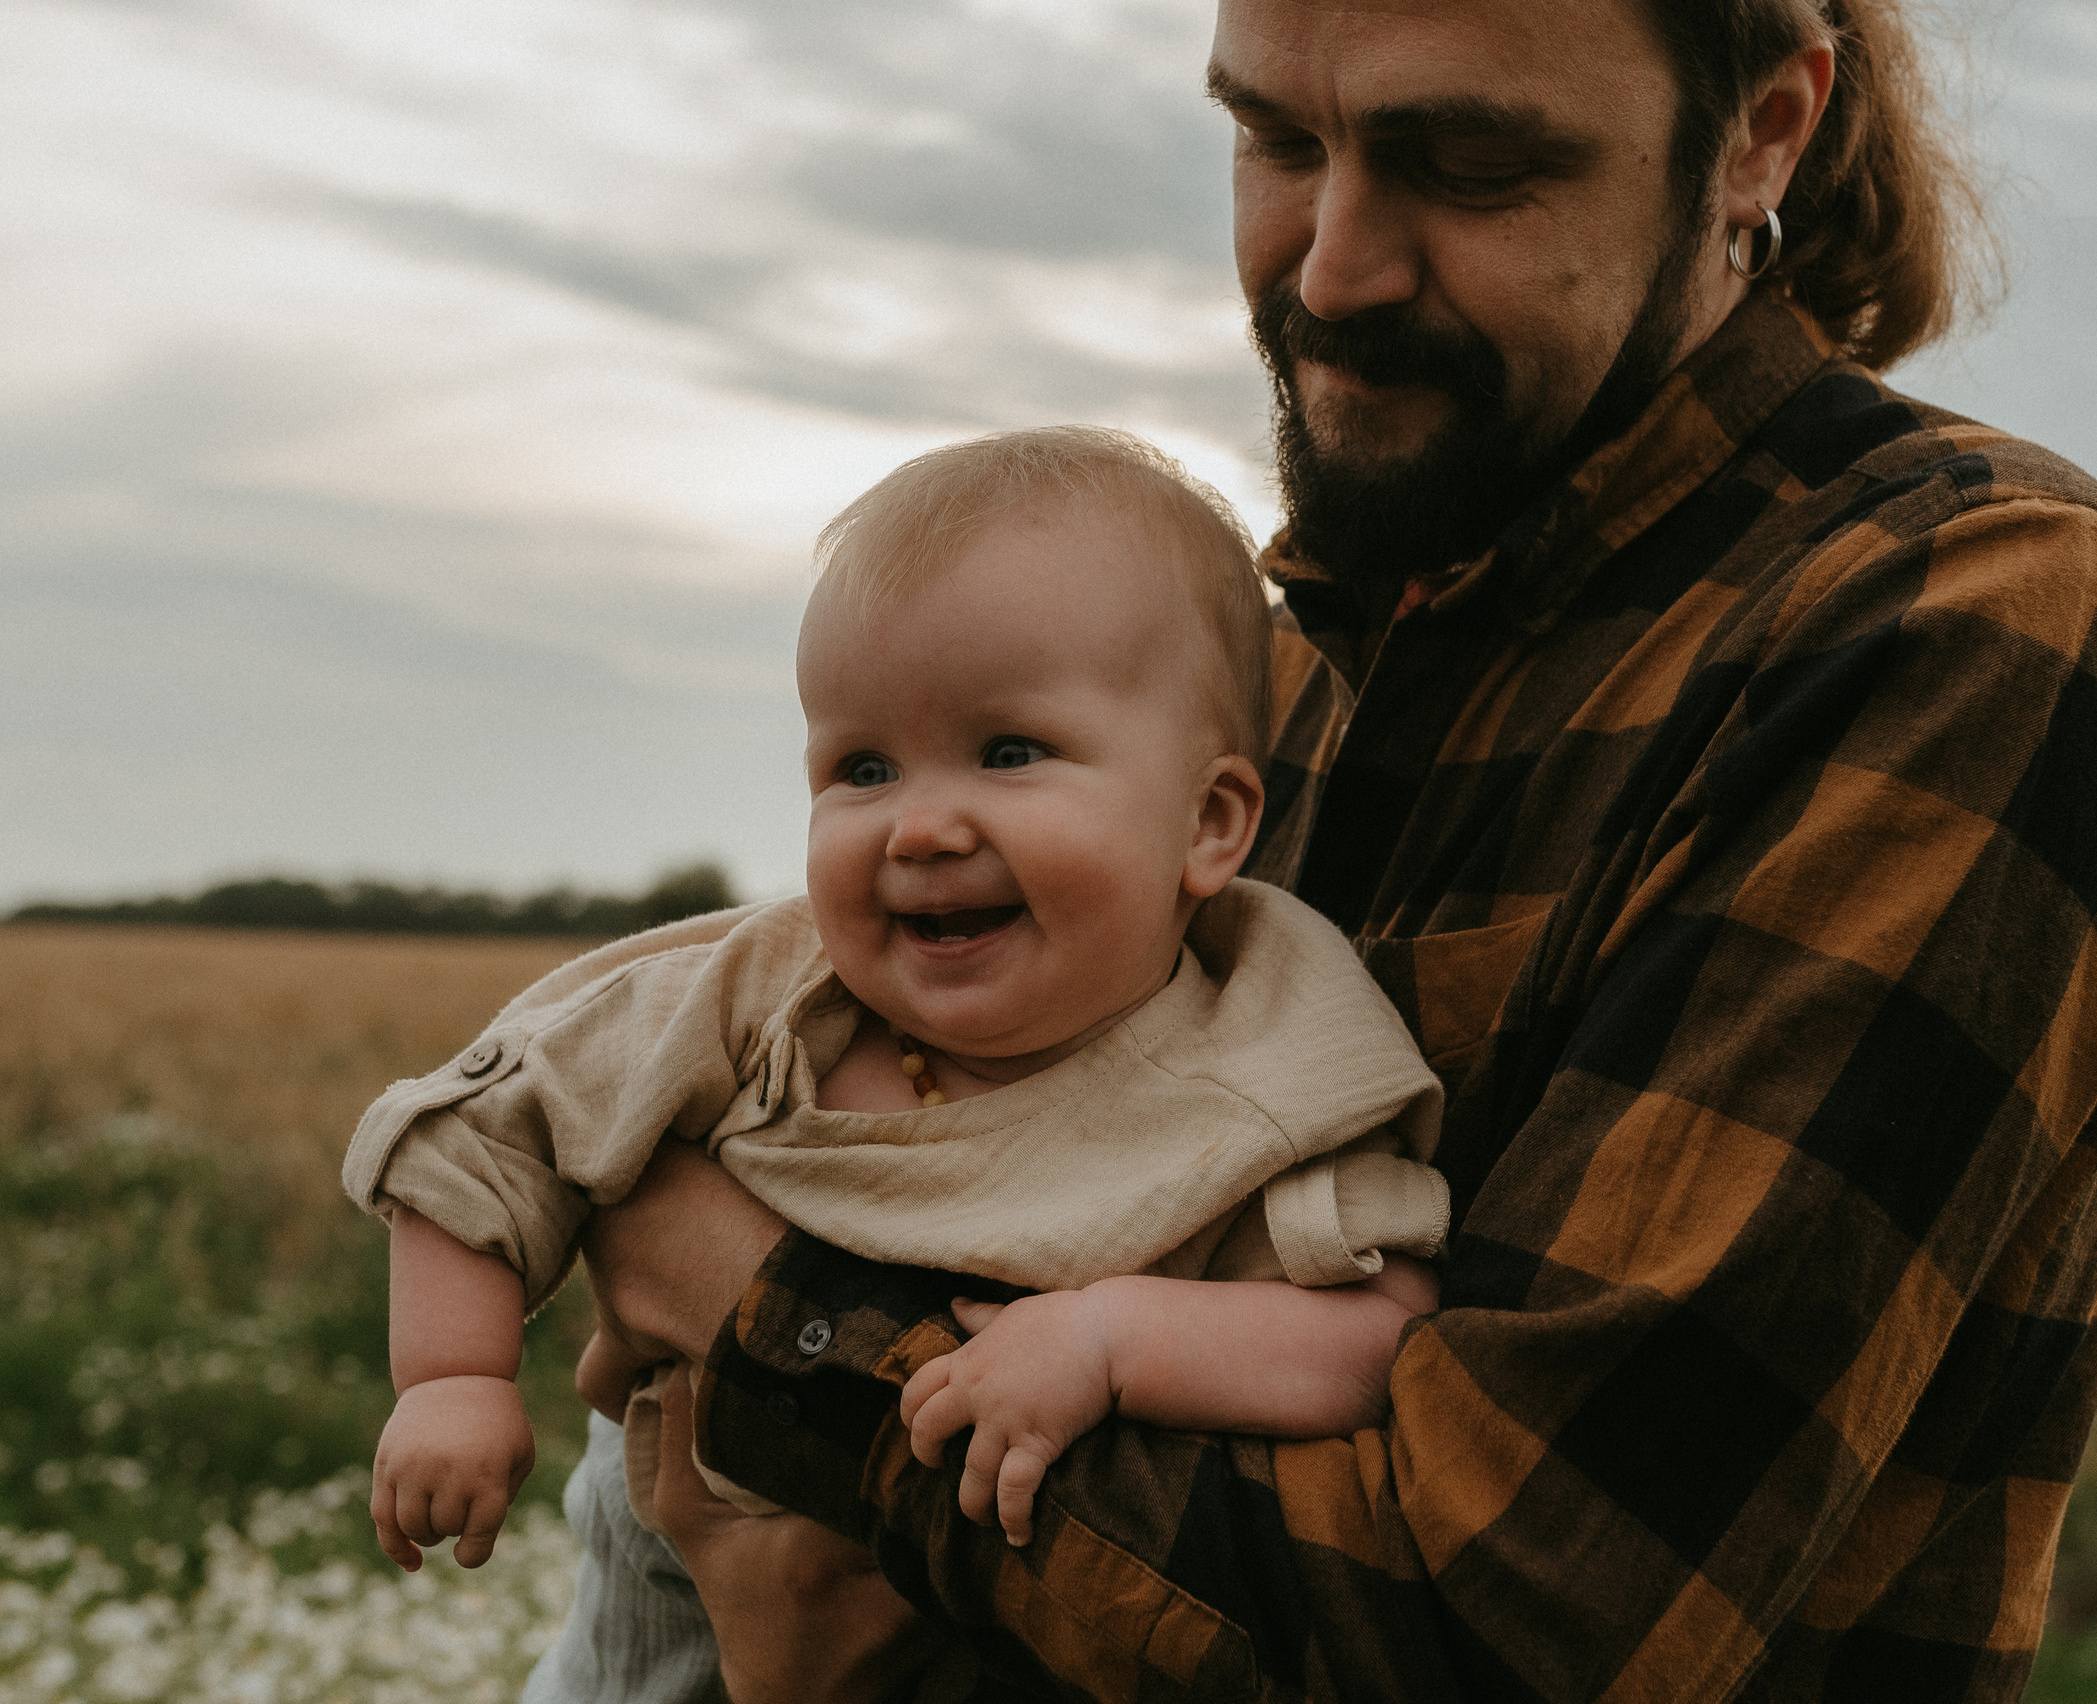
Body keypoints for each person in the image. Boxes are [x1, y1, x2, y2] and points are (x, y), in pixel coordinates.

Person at [579, 0, 2097, 1699]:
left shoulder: (1959, 613)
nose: (1334, 271)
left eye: (1471, 161)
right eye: (1277, 141)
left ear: (1760, 132)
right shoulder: (1280, 662)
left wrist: (750, 1300)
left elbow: (1501, 1622)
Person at [341, 429, 1455, 1697]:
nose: (919, 827)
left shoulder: (1263, 1063)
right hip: (671, 1579)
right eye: (861, 769)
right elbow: (493, 1120)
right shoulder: (766, 994)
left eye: (1009, 752)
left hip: (999, 1621)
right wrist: (452, 1378)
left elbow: (1376, 1331)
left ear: (1208, 822)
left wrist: (1109, 1339)